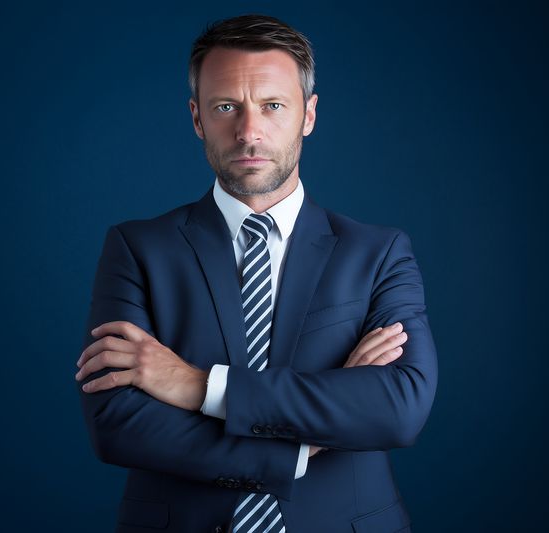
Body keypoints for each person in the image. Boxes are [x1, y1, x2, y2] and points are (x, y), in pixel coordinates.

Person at [75, 14, 437, 533]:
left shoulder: (378, 253)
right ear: (197, 118)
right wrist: (304, 445)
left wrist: (198, 386)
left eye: (273, 106)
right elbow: (117, 422)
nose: (249, 132)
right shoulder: (137, 248)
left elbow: (398, 408)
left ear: (308, 114)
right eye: (226, 107)